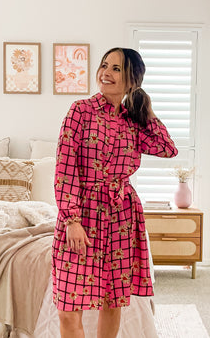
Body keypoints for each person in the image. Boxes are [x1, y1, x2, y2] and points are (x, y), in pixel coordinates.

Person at [52, 47, 178, 338]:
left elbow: (168, 148)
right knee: (68, 308)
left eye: (117, 69)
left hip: (121, 214)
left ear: (132, 78)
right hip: (82, 214)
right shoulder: (80, 111)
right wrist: (71, 219)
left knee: (112, 300)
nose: (106, 73)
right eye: (104, 65)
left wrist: (144, 108)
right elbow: (65, 166)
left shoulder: (133, 119)